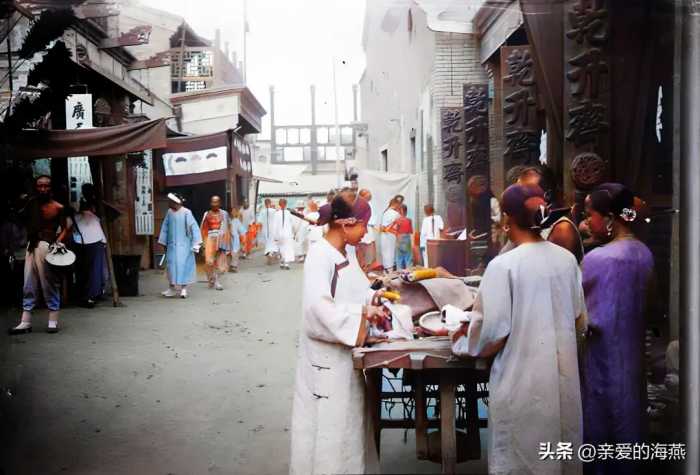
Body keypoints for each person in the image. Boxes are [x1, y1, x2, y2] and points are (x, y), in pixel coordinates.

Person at [452, 184, 587, 475]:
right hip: (561, 379)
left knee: (521, 456)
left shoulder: (504, 266)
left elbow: (491, 334)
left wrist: (460, 339)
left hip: (521, 380)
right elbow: (579, 318)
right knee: (558, 451)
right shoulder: (566, 261)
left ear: (506, 219)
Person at [289, 195, 385, 475]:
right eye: (363, 225)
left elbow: (355, 290)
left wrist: (376, 295)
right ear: (346, 224)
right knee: (329, 429)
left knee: (348, 425)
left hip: (345, 354)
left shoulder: (347, 252)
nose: (366, 232)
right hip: (325, 359)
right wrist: (362, 316)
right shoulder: (320, 256)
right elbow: (318, 311)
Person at [580, 183, 654, 475]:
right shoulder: (645, 253)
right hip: (632, 356)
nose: (586, 223)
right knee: (630, 420)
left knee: (602, 425)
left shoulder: (597, 259)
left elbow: (579, 313)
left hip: (602, 358)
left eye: (590, 215)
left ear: (610, 218)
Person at [9, 176, 71, 334]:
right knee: (28, 283)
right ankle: (25, 321)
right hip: (32, 245)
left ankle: (53, 320)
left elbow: (67, 227)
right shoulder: (31, 203)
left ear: (51, 188)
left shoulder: (58, 207)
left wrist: (57, 242)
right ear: (36, 187)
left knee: (48, 283)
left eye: (46, 186)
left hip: (46, 245)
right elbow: (19, 217)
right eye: (40, 186)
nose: (43, 189)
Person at [518, 165, 584, 262]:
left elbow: (560, 273)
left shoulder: (561, 229)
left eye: (526, 191)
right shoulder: (526, 224)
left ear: (547, 195)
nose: (517, 196)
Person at [158, 193, 202, 299]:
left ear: (176, 202)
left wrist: (196, 243)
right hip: (172, 245)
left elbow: (194, 228)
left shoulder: (187, 212)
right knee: (171, 267)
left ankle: (184, 289)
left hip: (184, 245)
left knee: (184, 266)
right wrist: (163, 242)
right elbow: (165, 227)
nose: (169, 203)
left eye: (170, 201)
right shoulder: (169, 212)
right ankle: (172, 288)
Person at [72, 195, 108, 307]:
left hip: (81, 244)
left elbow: (74, 232)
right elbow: (102, 236)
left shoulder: (77, 216)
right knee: (95, 271)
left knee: (83, 271)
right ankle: (92, 295)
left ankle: (84, 295)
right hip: (96, 243)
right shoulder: (95, 217)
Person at [200, 196, 231, 290]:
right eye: (213, 202)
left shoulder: (224, 214)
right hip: (210, 239)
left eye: (217, 202)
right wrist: (202, 243)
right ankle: (211, 279)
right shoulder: (207, 214)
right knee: (209, 262)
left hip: (221, 240)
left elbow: (227, 227)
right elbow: (203, 228)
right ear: (210, 203)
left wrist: (227, 241)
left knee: (220, 263)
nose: (215, 204)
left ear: (220, 203)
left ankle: (217, 281)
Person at [356, 189, 377, 271]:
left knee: (368, 250)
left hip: (368, 228)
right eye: (367, 196)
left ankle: (366, 268)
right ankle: (361, 268)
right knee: (361, 250)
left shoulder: (369, 204)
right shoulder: (358, 205)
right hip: (362, 228)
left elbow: (372, 219)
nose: (369, 197)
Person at [272, 198, 295, 270]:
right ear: (286, 204)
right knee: (287, 248)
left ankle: (282, 262)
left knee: (281, 248)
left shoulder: (276, 214)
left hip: (279, 234)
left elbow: (274, 226)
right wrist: (294, 232)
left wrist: (274, 236)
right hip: (287, 233)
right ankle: (286, 263)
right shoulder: (289, 213)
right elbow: (293, 224)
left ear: (279, 204)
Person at [380, 198, 401, 272]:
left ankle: (387, 269)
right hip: (392, 235)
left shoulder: (385, 213)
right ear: (396, 204)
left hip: (384, 235)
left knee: (386, 252)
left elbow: (382, 227)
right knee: (391, 252)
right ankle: (390, 270)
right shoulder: (396, 214)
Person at [392, 204, 413, 270]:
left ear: (399, 212)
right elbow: (411, 231)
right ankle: (409, 273)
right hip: (407, 238)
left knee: (399, 257)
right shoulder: (409, 220)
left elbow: (389, 228)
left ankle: (399, 273)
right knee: (408, 257)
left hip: (399, 238)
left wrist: (396, 232)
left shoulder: (397, 220)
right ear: (406, 211)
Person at [257, 198, 277, 265]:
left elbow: (259, 222)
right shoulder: (274, 211)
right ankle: (271, 253)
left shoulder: (262, 212)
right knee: (273, 243)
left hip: (265, 230)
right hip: (273, 230)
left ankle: (269, 255)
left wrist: (259, 230)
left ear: (265, 204)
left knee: (267, 243)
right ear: (270, 203)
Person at [229, 207, 247, 272]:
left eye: (235, 211)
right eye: (232, 211)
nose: (233, 213)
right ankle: (232, 266)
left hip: (234, 239)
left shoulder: (236, 220)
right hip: (229, 238)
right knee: (233, 253)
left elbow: (242, 230)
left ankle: (233, 266)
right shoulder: (229, 220)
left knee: (235, 253)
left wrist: (243, 239)